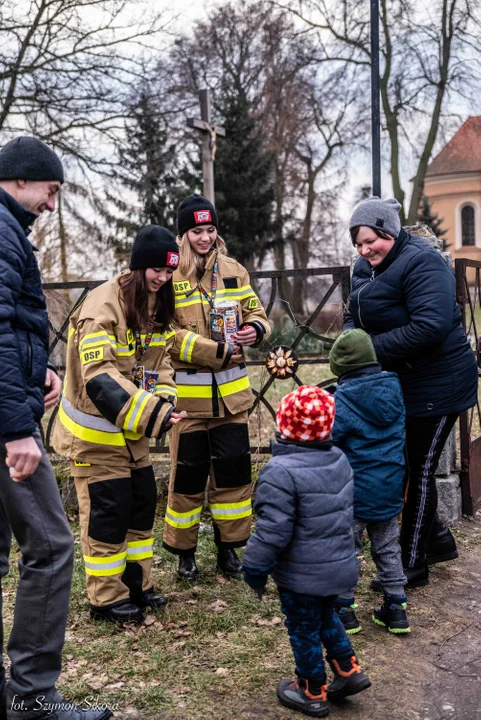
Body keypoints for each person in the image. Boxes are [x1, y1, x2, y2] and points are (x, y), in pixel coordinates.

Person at [0, 136, 111, 719]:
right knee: (50, 545)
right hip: (6, 428)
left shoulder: (8, 231)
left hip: (9, 407)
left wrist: (37, 370)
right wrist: (18, 427)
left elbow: (14, 324)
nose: (51, 202)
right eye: (51, 189)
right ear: (21, 179)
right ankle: (32, 695)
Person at [53, 226, 185, 624]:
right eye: (156, 270)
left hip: (131, 437)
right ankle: (105, 600)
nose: (162, 279)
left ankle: (137, 585)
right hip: (94, 438)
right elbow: (100, 379)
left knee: (141, 505)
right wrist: (156, 415)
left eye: (168, 273)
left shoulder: (155, 303)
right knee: (108, 515)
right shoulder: (101, 307)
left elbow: (161, 364)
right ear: (138, 265)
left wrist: (166, 398)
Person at [346, 196, 478, 587]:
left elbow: (430, 326)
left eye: (371, 241)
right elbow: (356, 314)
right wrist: (350, 342)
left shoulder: (422, 262)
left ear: (389, 231)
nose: (365, 250)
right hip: (405, 381)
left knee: (418, 470)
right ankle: (435, 539)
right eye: (358, 243)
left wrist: (370, 352)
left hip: (442, 382)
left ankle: (411, 562)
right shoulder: (364, 268)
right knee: (408, 465)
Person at [242, 386, 370, 719]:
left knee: (303, 629)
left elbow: (273, 531)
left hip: (302, 576)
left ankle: (311, 690)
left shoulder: (280, 472)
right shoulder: (338, 459)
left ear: (284, 425)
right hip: (338, 568)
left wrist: (254, 567)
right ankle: (349, 670)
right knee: (328, 617)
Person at [162, 194, 271, 580]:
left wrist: (254, 330)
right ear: (184, 234)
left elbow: (257, 312)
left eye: (210, 230)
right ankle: (184, 554)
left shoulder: (233, 270)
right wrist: (216, 352)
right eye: (197, 231)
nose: (205, 238)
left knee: (234, 478)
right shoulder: (170, 276)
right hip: (188, 402)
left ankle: (229, 551)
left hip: (232, 399)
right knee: (187, 479)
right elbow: (167, 336)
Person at [329, 329, 410, 635]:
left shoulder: (344, 401)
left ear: (342, 369)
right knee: (388, 547)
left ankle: (345, 609)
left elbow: (330, 438)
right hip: (390, 485)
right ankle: (397, 608)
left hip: (354, 492)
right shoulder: (394, 389)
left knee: (347, 548)